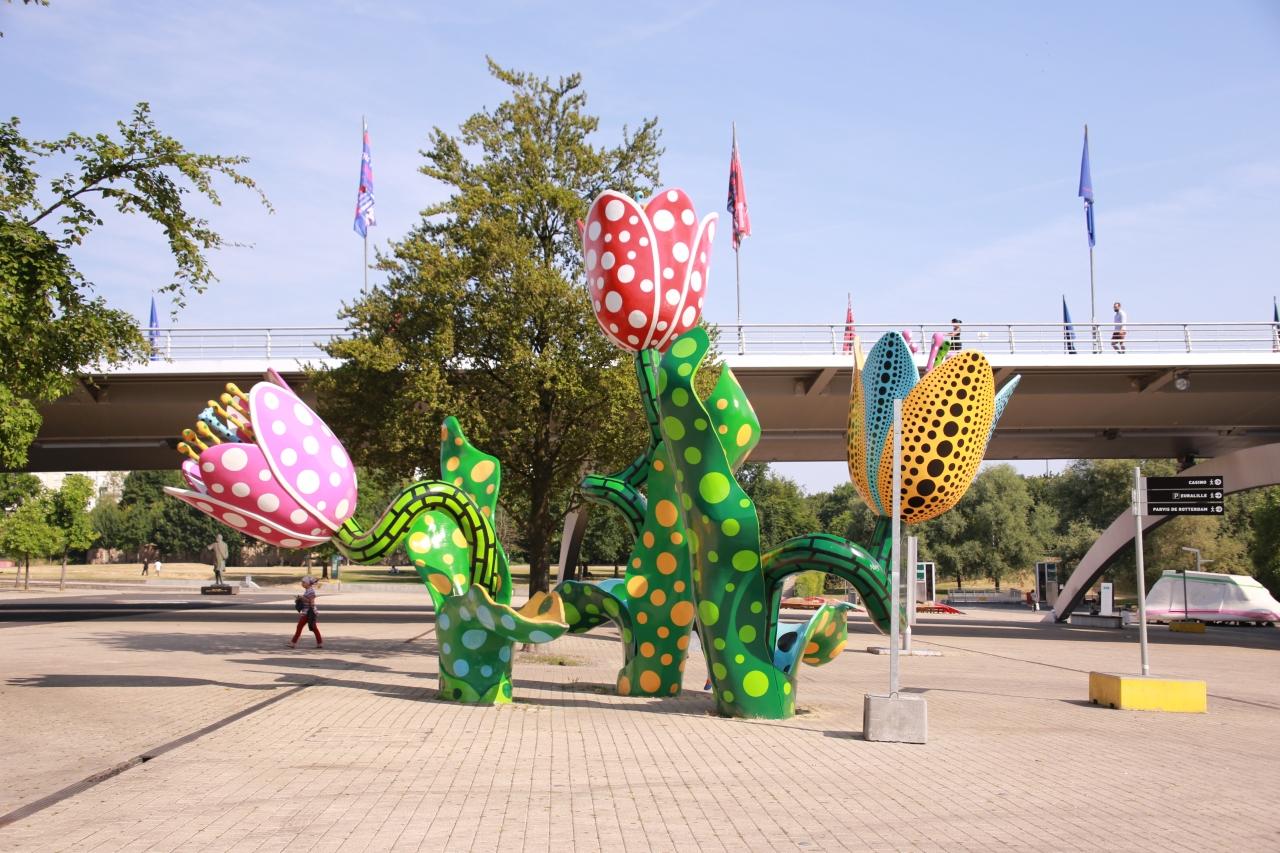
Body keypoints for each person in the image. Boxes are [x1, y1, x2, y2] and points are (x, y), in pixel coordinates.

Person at [289, 576, 323, 648]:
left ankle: (293, 643)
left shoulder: (311, 591)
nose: (302, 584)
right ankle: (319, 643)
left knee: (300, 627)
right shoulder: (308, 590)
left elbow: (311, 602)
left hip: (308, 613)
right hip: (307, 612)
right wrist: (300, 599)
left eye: (304, 582)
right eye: (302, 582)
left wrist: (302, 598)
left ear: (308, 583)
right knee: (314, 628)